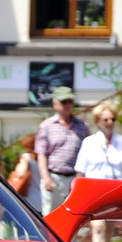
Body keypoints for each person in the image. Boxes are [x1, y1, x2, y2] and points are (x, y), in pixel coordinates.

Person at [75, 101, 122, 242]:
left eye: (112, 119)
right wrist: (78, 193)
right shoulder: (89, 142)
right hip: (94, 190)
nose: (109, 123)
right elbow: (80, 170)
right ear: (98, 121)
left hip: (114, 189)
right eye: (105, 119)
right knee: (97, 226)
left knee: (109, 228)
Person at [35, 85, 89, 213]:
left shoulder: (82, 126)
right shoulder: (47, 126)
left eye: (70, 102)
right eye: (64, 102)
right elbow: (41, 154)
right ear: (55, 104)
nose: (67, 105)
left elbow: (87, 153)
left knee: (73, 215)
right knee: (51, 216)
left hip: (75, 178)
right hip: (54, 176)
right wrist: (46, 178)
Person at [6, 134, 44, 213]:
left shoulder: (27, 157)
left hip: (29, 200)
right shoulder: (44, 160)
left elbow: (20, 173)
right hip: (43, 200)